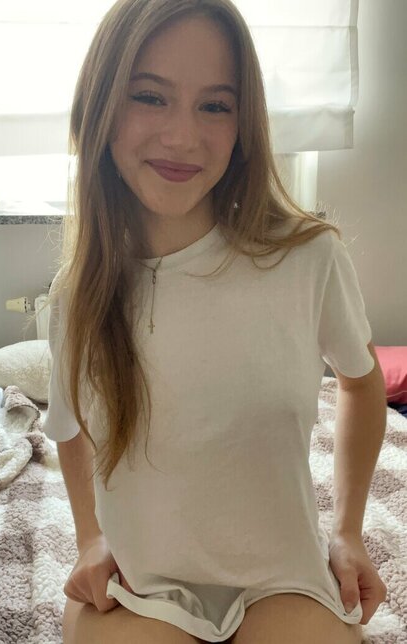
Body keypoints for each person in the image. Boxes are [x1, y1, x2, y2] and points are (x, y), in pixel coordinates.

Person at [42, 1, 387, 643]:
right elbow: (67, 429)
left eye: (215, 105)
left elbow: (362, 381)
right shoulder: (77, 295)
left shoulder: (307, 259)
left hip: (281, 577)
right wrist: (89, 537)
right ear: (100, 107)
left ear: (243, 125)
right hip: (142, 584)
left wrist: (347, 532)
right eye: (150, 96)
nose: (182, 136)